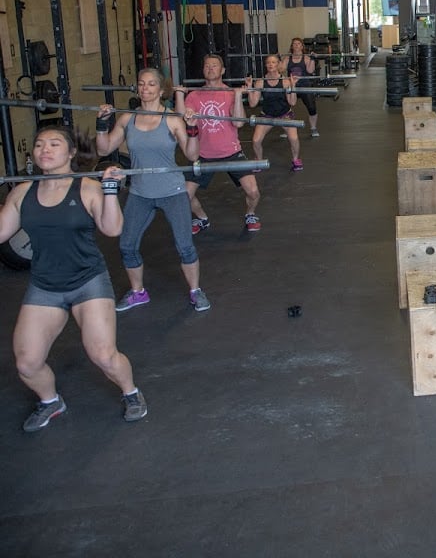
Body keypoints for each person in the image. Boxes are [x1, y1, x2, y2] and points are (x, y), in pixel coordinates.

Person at [0, 126, 148, 431]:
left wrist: (109, 190)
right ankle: (50, 401)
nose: (45, 149)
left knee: (104, 356)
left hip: (87, 281)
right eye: (39, 144)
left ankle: (131, 393)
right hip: (45, 286)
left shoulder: (87, 188)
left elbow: (112, 229)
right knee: (27, 363)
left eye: (54, 144)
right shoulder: (22, 192)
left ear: (70, 153)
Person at [95, 67, 208, 313]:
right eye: (141, 84)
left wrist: (192, 128)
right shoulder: (127, 118)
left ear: (161, 89)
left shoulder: (172, 119)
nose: (145, 89)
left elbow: (192, 154)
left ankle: (195, 290)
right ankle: (138, 292)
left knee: (185, 245)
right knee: (127, 245)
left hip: (172, 189)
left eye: (151, 84)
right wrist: (102, 124)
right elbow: (104, 150)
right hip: (140, 192)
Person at [175, 54, 263, 234]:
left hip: (231, 152)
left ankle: (250, 214)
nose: (210, 68)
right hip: (203, 154)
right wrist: (178, 94)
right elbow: (180, 117)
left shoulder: (230, 93)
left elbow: (238, 122)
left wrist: (238, 96)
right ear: (203, 70)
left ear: (222, 70)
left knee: (253, 192)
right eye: (207, 65)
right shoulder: (193, 96)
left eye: (214, 65)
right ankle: (201, 218)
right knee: (184, 195)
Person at [248, 54, 302, 172]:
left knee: (294, 138)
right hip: (267, 115)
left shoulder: (286, 81)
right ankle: (259, 161)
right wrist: (249, 89)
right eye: (268, 63)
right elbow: (252, 104)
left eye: (273, 62)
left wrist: (293, 86)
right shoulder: (260, 82)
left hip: (285, 114)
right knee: (256, 140)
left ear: (278, 65)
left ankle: (296, 159)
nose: (270, 65)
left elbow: (292, 102)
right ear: (266, 65)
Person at [285, 37, 320, 136]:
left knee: (312, 107)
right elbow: (280, 68)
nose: (296, 45)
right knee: (284, 108)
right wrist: (278, 59)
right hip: (292, 86)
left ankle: (313, 128)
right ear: (292, 46)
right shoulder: (287, 58)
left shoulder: (306, 58)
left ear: (302, 46)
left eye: (298, 44)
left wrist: (313, 59)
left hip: (304, 85)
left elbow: (310, 71)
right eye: (294, 44)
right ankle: (287, 128)